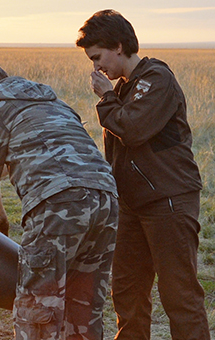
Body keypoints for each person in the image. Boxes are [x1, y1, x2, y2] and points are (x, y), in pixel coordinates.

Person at [76, 9, 210, 340]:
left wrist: (106, 97)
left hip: (169, 201)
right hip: (132, 205)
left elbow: (133, 129)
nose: (96, 67)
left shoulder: (156, 79)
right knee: (127, 293)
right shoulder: (126, 88)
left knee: (179, 296)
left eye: (97, 57)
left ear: (118, 45)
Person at [0, 62, 119, 339]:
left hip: (58, 205)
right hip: (106, 199)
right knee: (84, 306)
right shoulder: (54, 101)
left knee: (36, 308)